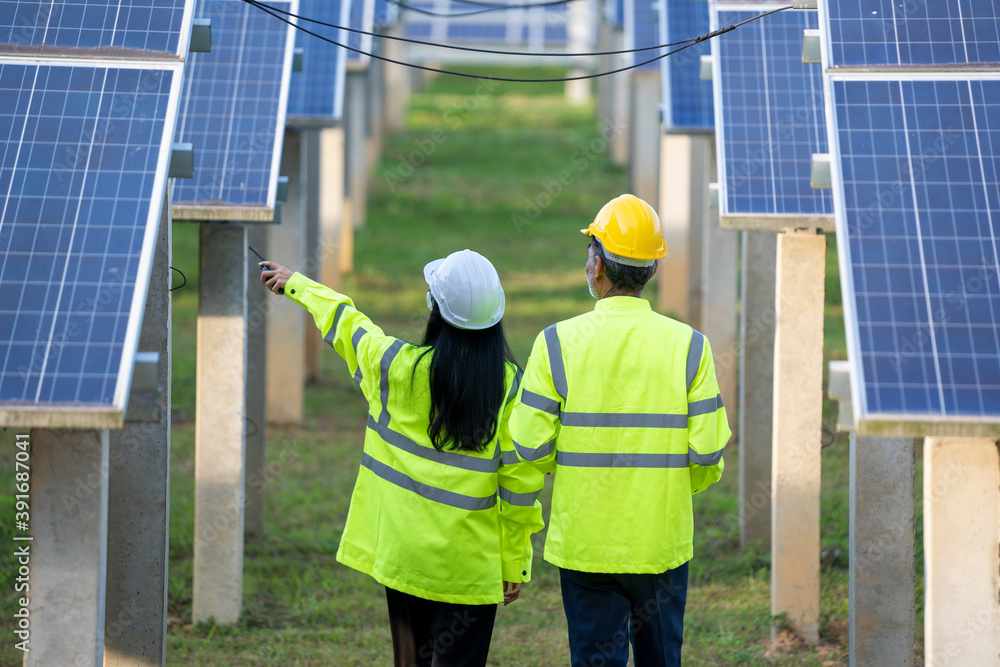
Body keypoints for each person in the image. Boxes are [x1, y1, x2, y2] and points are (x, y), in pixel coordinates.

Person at [260, 249, 544, 667]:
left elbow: (348, 324)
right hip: (470, 568)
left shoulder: (394, 368)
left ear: (434, 309)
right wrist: (514, 562)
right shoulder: (510, 389)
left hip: (404, 558)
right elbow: (520, 486)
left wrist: (296, 284)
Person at [508, 194, 730, 667]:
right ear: (651, 269)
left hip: (586, 546)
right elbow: (708, 454)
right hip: (662, 545)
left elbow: (528, 449)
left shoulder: (555, 343)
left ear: (599, 266)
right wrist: (666, 489)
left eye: (590, 250)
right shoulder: (691, 347)